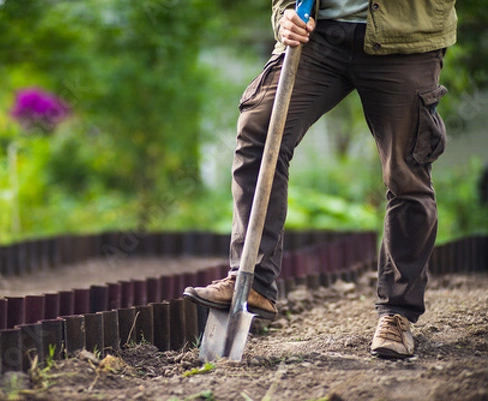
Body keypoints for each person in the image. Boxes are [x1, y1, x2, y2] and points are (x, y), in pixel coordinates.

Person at [184, 0, 457, 359]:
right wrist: (286, 13)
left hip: (404, 38)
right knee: (261, 132)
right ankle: (251, 279)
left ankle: (398, 313)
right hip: (319, 33)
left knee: (406, 173)